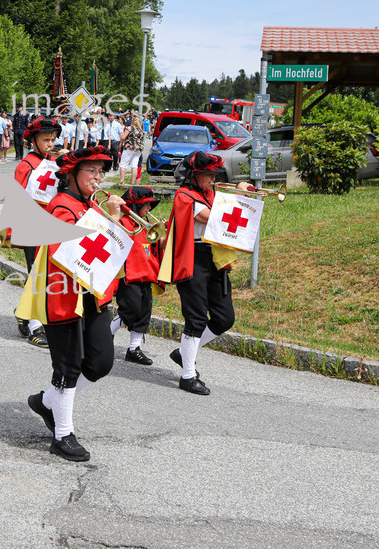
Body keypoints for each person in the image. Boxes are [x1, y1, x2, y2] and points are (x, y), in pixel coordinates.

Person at [25, 145, 124, 462]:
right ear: (71, 175)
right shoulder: (61, 207)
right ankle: (62, 434)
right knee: (67, 365)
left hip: (93, 295)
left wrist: (115, 217)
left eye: (100, 171)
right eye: (91, 171)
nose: (98, 177)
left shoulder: (90, 204)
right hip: (65, 295)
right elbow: (67, 250)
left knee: (100, 362)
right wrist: (109, 219)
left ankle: (48, 402)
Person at [159, 152, 253, 395]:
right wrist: (239, 196)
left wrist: (237, 197)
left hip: (214, 258)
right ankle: (187, 375)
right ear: (194, 175)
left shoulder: (211, 194)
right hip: (192, 260)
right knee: (197, 319)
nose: (212, 179)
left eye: (214, 174)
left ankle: (184, 353)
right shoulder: (184, 196)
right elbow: (211, 218)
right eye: (207, 175)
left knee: (225, 318)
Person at [12, 116, 62, 349]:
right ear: (34, 141)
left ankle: (25, 313)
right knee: (36, 274)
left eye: (53, 139)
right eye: (46, 139)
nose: (50, 143)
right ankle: (34, 325)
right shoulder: (26, 165)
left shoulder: (57, 161)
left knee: (48, 273)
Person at [110, 186, 161, 365]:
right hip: (130, 275)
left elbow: (153, 249)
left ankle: (134, 349)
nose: (149, 209)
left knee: (144, 313)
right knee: (129, 309)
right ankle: (108, 333)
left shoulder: (147, 225)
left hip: (147, 274)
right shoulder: (124, 223)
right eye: (146, 205)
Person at [119, 111, 144, 184]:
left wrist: (120, 136)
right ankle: (133, 182)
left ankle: (122, 180)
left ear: (132, 122)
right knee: (134, 165)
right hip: (138, 149)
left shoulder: (129, 128)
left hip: (129, 148)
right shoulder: (141, 131)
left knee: (123, 164)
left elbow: (123, 137)